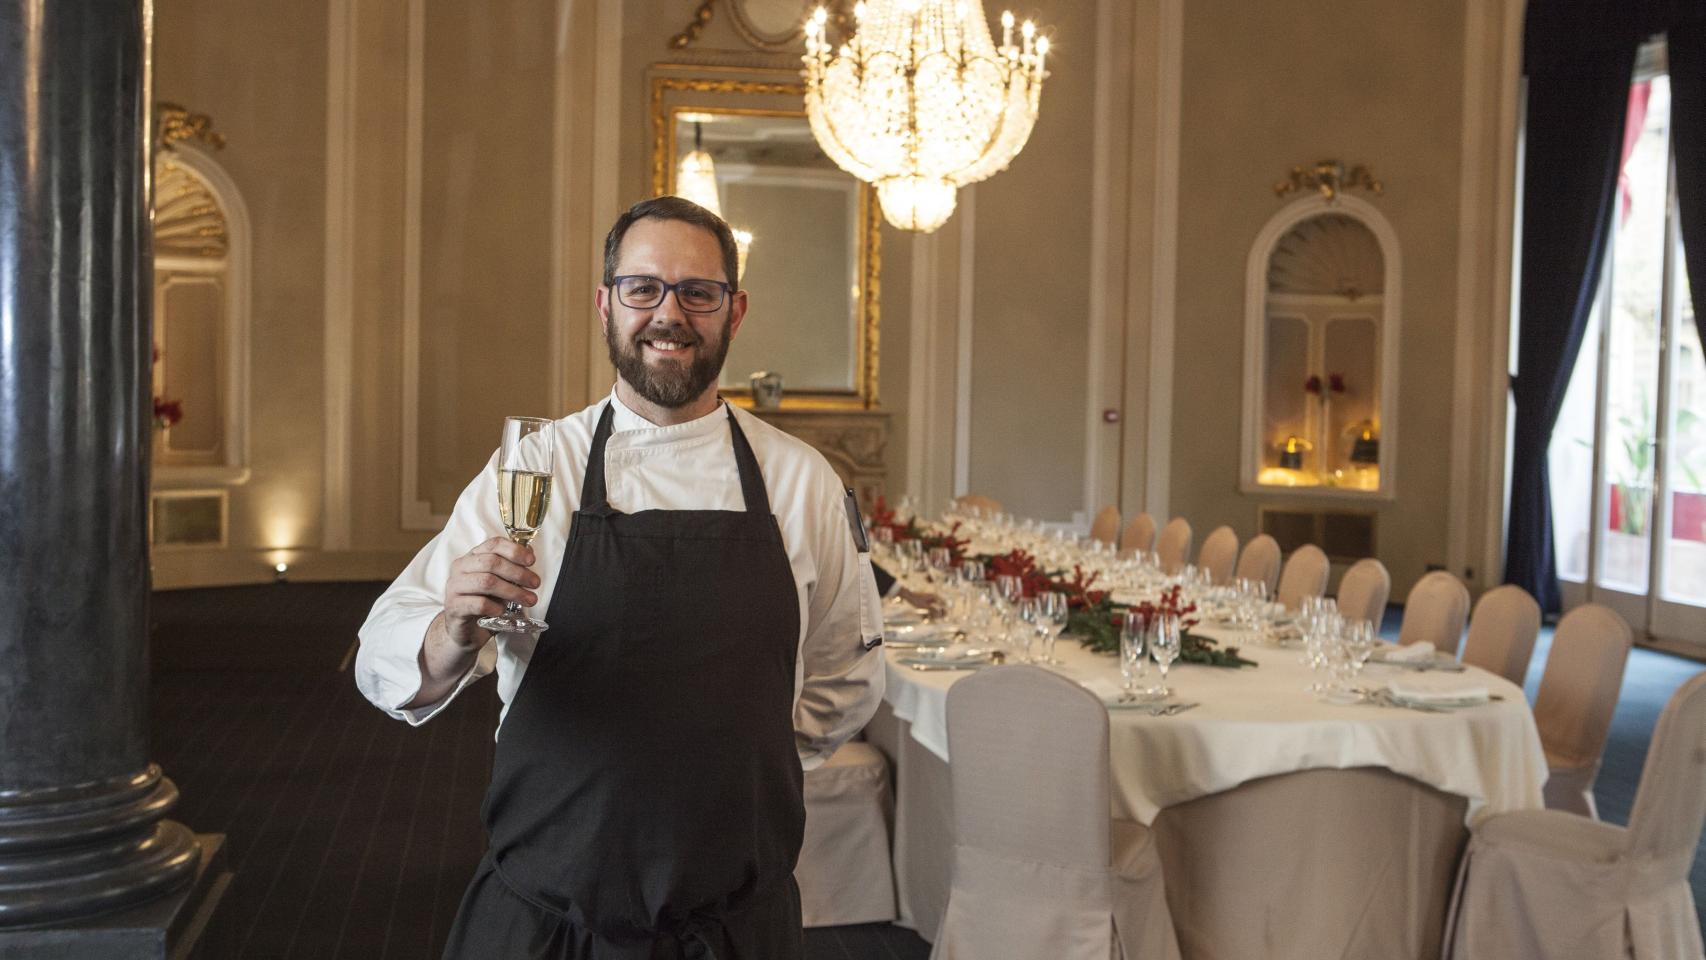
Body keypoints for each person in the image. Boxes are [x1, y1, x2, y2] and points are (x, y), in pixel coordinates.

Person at [355, 196, 886, 959]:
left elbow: (843, 684)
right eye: (643, 288)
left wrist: (730, 766)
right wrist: (449, 631)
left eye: (696, 293)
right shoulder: (537, 468)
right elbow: (382, 651)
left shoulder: (802, 483)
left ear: (734, 312)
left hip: (735, 928)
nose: (668, 314)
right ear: (605, 306)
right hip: (547, 919)